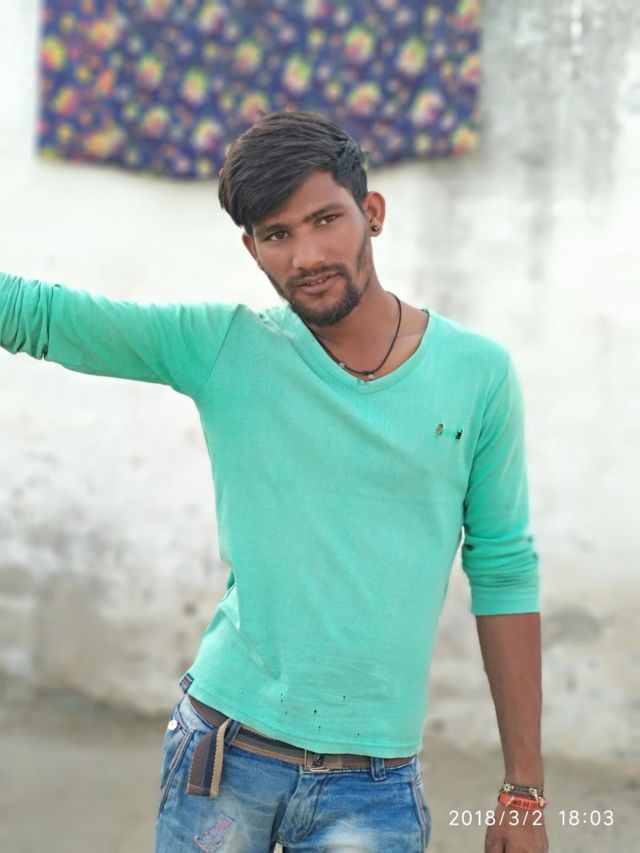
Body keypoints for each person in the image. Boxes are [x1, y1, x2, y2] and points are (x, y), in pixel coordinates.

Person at [0, 110, 547, 853]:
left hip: (374, 784)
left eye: (326, 219)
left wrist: (523, 788)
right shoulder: (227, 346)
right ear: (251, 248)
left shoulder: (477, 375)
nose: (307, 254)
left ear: (372, 212)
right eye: (277, 234)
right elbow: (38, 316)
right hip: (223, 756)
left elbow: (504, 570)